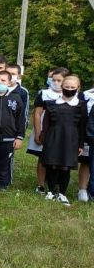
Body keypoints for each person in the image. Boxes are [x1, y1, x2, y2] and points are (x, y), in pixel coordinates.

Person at [41, 75, 88, 206]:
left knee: (65, 167)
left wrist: (80, 144)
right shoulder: (51, 104)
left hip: (71, 139)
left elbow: (82, 125)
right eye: (67, 87)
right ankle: (50, 191)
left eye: (72, 87)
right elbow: (46, 123)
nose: (69, 89)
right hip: (53, 137)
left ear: (78, 88)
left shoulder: (81, 105)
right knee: (52, 165)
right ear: (62, 87)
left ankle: (62, 193)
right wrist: (44, 138)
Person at [27, 68, 67, 193]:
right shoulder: (44, 94)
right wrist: (38, 132)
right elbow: (37, 114)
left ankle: (55, 185)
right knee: (43, 158)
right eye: (53, 80)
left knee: (59, 158)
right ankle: (41, 185)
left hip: (62, 132)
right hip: (45, 129)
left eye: (59, 80)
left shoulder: (72, 95)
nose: (55, 82)